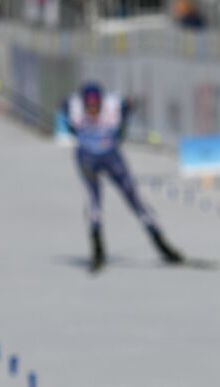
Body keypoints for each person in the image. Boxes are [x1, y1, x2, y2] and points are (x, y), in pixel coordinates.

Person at [61, 82, 183, 272]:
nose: (92, 112)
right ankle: (97, 248)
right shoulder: (74, 108)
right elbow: (68, 120)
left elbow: (129, 106)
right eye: (89, 108)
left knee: (134, 198)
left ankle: (161, 243)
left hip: (112, 157)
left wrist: (129, 108)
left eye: (96, 107)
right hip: (87, 158)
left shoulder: (113, 105)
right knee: (93, 201)